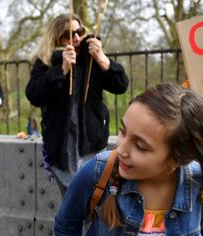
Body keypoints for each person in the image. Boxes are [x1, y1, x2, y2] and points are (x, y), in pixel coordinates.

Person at [54, 83, 203, 236]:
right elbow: (66, 224)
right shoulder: (99, 171)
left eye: (140, 146)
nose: (120, 149)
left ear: (178, 158)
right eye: (122, 131)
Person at [25, 13, 129, 198]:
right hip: (61, 147)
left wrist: (103, 59)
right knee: (71, 204)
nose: (76, 38)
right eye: (68, 35)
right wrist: (62, 69)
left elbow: (121, 85)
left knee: (96, 203)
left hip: (92, 143)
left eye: (79, 32)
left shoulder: (92, 59)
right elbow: (34, 95)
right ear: (56, 39)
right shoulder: (47, 61)